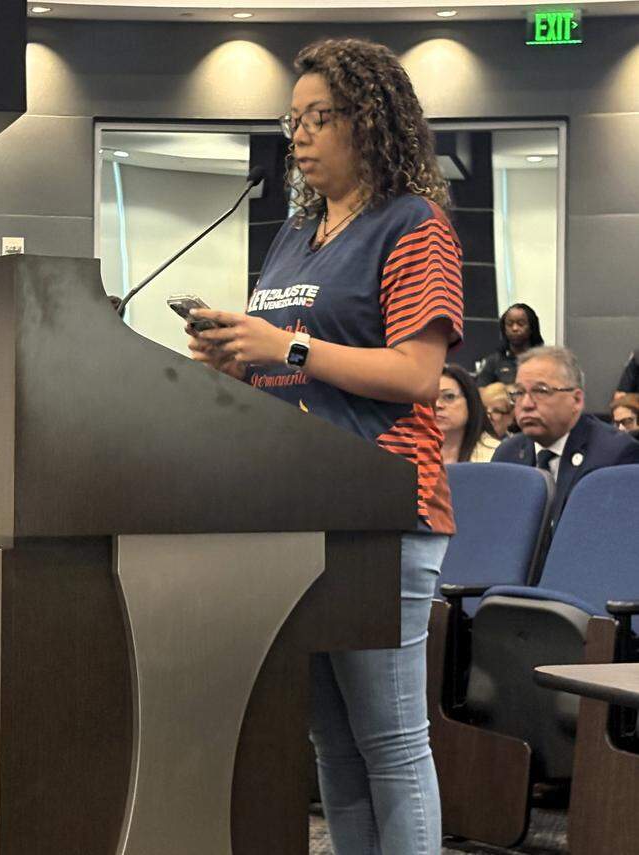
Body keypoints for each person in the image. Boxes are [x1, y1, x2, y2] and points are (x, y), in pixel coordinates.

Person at [187, 38, 462, 854]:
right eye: (293, 120)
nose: (299, 136)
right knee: (333, 749)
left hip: (385, 508)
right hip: (295, 508)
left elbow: (417, 373)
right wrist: (232, 357)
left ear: (369, 124)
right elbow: (278, 365)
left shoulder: (414, 226)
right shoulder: (291, 236)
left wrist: (285, 346)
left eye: (320, 118)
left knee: (390, 740)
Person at [493, 346, 639, 553]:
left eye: (541, 391)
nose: (526, 404)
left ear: (576, 400)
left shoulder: (615, 454)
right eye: (519, 392)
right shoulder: (507, 455)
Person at [474, 303, 544, 386]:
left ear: (532, 328)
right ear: (504, 329)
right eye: (510, 324)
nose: (515, 328)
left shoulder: (543, 360)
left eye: (520, 324)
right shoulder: (494, 361)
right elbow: (480, 391)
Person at [438, 365, 491, 463]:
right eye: (431, 398)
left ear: (471, 401)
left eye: (449, 396)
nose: (437, 405)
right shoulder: (409, 452)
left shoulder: (495, 453)